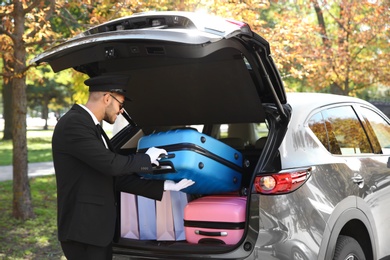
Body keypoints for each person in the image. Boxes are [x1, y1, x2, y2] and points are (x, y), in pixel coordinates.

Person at [52, 74, 194, 260]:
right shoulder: (74, 123)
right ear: (107, 98)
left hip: (95, 231)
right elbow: (111, 164)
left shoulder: (90, 126)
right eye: (121, 105)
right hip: (83, 231)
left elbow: (115, 178)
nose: (121, 111)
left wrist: (165, 186)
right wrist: (144, 158)